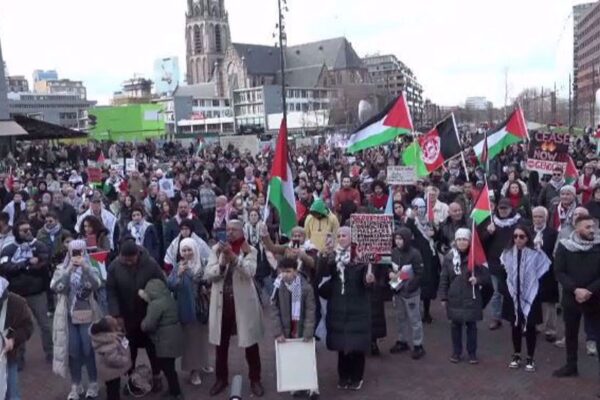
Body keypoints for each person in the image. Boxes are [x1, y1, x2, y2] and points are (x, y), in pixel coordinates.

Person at [205, 220, 265, 397]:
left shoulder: (250, 249)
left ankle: (255, 379)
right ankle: (221, 379)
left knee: (250, 344)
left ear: (241, 231)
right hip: (221, 304)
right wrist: (222, 264)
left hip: (243, 303)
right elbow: (209, 274)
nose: (230, 232)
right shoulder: (216, 249)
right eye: (228, 229)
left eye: (234, 229)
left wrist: (235, 259)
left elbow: (251, 272)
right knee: (220, 345)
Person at [318, 226, 374, 391]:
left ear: (352, 238)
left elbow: (368, 286)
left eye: (344, 235)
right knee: (341, 347)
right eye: (339, 235)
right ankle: (343, 377)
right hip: (338, 308)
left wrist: (369, 279)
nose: (341, 238)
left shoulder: (362, 257)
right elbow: (321, 279)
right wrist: (324, 257)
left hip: (358, 307)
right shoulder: (332, 257)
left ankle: (357, 377)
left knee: (356, 347)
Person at [106, 240, 165, 393]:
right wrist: (116, 314)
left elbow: (162, 283)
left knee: (153, 348)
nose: (128, 263)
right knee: (129, 350)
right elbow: (111, 291)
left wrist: (152, 299)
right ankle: (133, 380)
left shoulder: (151, 264)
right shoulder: (114, 267)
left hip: (148, 313)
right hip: (127, 315)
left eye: (131, 260)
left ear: (137, 255)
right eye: (125, 260)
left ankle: (157, 376)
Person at [50, 240, 102, 399]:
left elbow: (96, 285)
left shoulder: (92, 266)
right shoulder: (61, 268)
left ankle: (93, 383)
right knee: (73, 351)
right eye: (74, 251)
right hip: (68, 315)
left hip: (87, 314)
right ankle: (76, 385)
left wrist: (86, 269)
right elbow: (56, 288)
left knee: (88, 349)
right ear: (69, 252)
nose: (77, 255)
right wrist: (68, 271)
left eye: (80, 251)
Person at [553, 215, 600, 387]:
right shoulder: (565, 247)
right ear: (577, 228)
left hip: (595, 298)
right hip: (571, 298)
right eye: (587, 227)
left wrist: (589, 290)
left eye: (593, 227)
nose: (592, 230)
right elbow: (559, 271)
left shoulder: (598, 246)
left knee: (597, 336)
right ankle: (571, 366)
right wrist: (575, 289)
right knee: (571, 334)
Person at [0, 219, 53, 368]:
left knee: (45, 325)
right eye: (24, 230)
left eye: (29, 229)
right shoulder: (8, 248)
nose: (28, 232)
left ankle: (51, 353)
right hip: (17, 294)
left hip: (37, 292)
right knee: (17, 326)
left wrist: (27, 267)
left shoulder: (39, 245)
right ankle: (19, 358)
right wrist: (26, 264)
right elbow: (5, 267)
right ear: (17, 232)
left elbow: (44, 263)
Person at [500, 225, 550, 372]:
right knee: (515, 325)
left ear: (528, 238)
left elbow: (544, 268)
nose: (518, 239)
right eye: (515, 236)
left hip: (531, 295)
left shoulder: (535, 253)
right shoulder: (507, 253)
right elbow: (504, 272)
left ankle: (530, 357)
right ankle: (516, 355)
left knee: (530, 327)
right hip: (513, 294)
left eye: (522, 236)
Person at [439, 228, 490, 364]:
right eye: (459, 239)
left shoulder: (476, 257)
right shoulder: (449, 258)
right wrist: (443, 297)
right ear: (455, 241)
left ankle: (472, 352)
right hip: (454, 297)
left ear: (469, 241)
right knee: (455, 326)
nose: (462, 242)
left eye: (465, 239)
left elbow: (486, 277)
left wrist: (477, 280)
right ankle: (456, 352)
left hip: (470, 298)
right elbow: (444, 279)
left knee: (471, 326)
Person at [271, 257, 318, 400]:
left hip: (301, 327)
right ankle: (295, 385)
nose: (285, 274)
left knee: (307, 358)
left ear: (296, 271)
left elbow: (311, 310)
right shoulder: (277, 287)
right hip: (287, 329)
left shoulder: (305, 288)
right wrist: (278, 332)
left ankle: (312, 388)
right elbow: (274, 311)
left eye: (288, 271)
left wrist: (309, 331)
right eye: (282, 271)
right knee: (292, 358)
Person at [166, 238, 211, 386]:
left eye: (189, 249)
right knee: (191, 342)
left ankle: (203, 362)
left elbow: (210, 280)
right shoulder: (179, 266)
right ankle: (193, 371)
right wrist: (178, 274)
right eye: (183, 250)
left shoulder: (202, 264)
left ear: (195, 249)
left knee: (202, 338)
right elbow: (171, 285)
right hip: (188, 308)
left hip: (202, 307)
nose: (187, 253)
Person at [139, 279, 184, 400]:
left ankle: (176, 393)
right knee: (170, 366)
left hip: (164, 339)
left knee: (167, 367)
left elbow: (148, 325)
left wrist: (141, 324)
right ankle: (173, 390)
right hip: (175, 336)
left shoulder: (155, 304)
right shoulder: (169, 299)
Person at [481, 198, 522, 330]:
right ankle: (495, 318)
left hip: (514, 263)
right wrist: (488, 233)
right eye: (501, 208)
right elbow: (481, 242)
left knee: (515, 292)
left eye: (506, 208)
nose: (503, 211)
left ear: (511, 209)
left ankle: (516, 317)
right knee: (496, 293)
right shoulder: (491, 222)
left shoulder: (519, 222)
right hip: (495, 263)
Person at [388, 228, 425, 359]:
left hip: (411, 293)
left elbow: (419, 274)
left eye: (401, 239)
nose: (398, 242)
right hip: (398, 291)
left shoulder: (415, 254)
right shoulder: (393, 252)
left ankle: (418, 344)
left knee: (414, 319)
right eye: (396, 239)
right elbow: (389, 267)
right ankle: (402, 340)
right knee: (400, 317)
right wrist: (390, 274)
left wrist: (410, 287)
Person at [406, 197, 440, 324]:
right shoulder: (412, 221)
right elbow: (407, 231)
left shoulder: (429, 220)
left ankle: (426, 312)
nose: (420, 210)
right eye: (417, 208)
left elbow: (437, 235)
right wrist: (411, 217)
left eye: (422, 208)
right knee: (415, 284)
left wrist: (434, 233)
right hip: (417, 257)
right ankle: (415, 311)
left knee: (428, 285)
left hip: (430, 257)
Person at [0, 275, 34, 400]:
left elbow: (28, 327)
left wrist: (13, 340)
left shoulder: (17, 303)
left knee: (12, 393)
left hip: (8, 355)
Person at [531, 206, 559, 342]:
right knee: (534, 299)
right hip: (531, 271)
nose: (537, 219)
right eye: (535, 216)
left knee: (549, 302)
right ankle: (536, 325)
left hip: (548, 271)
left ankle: (550, 330)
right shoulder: (527, 232)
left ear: (546, 218)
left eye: (540, 216)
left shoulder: (552, 233)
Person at [90, 316, 132, 400]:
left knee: (112, 389)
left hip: (109, 371)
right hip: (111, 371)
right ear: (108, 330)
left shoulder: (106, 337)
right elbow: (112, 359)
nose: (118, 326)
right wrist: (125, 360)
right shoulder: (108, 343)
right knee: (113, 391)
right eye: (115, 325)